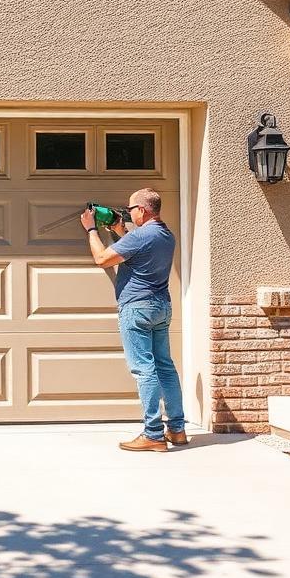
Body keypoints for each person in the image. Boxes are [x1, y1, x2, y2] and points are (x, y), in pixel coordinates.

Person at [80, 188, 185, 452]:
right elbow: (136, 249)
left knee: (144, 369)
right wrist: (118, 229)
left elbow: (102, 259)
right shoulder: (165, 235)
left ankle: (153, 434)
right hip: (161, 306)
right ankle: (177, 429)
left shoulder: (142, 236)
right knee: (165, 367)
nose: (128, 214)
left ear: (143, 210)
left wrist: (92, 229)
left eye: (131, 210)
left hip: (137, 308)